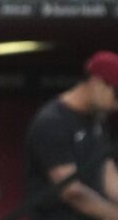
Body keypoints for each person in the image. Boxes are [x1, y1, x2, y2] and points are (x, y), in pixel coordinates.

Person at [25, 51, 118, 219]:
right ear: (96, 83)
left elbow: (108, 174)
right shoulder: (52, 121)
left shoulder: (97, 120)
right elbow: (71, 191)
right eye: (117, 94)